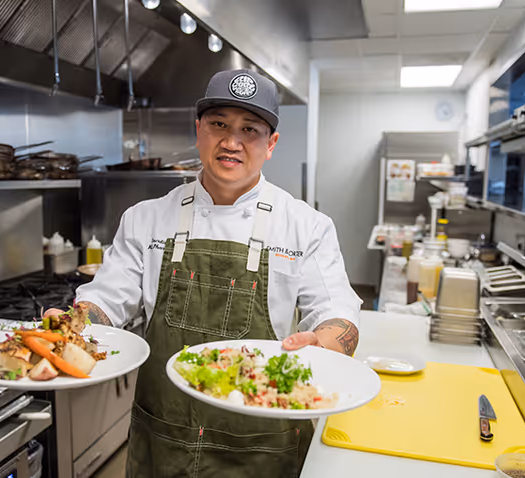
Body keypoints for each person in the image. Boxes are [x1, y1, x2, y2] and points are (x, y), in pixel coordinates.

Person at [44, 69, 361, 478]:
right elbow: (106, 298)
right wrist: (72, 325)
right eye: (219, 125)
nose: (231, 142)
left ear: (271, 144)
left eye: (250, 129)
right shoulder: (145, 218)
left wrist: (322, 342)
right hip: (162, 441)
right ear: (199, 131)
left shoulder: (307, 226)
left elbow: (337, 314)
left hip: (261, 449)